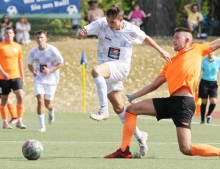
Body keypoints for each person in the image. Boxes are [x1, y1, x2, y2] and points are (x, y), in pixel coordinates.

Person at [104, 27, 220, 158]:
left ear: (187, 40)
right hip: (170, 102)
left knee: (186, 148)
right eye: (173, 37)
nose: (173, 40)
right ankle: (124, 150)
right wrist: (134, 95)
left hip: (184, 105)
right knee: (132, 109)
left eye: (177, 37)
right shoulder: (170, 61)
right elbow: (155, 84)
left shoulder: (197, 49)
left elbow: (217, 42)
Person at [76, 4, 171, 156]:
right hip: (107, 69)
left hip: (120, 68)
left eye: (112, 22)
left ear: (121, 19)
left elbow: (146, 38)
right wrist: (81, 34)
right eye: (108, 21)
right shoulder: (101, 23)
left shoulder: (130, 29)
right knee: (120, 109)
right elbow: (81, 34)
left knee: (95, 71)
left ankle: (103, 110)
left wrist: (161, 51)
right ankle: (140, 135)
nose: (109, 24)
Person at [28, 30, 64, 132]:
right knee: (40, 100)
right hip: (39, 79)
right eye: (38, 38)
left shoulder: (53, 50)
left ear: (46, 39)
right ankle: (42, 126)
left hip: (51, 80)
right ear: (35, 39)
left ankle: (51, 110)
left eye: (41, 37)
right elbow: (30, 64)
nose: (40, 40)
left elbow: (61, 63)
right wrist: (33, 71)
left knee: (47, 103)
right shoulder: (33, 51)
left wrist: (50, 70)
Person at [0, 27, 26, 129]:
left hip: (16, 76)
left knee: (20, 96)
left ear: (14, 34)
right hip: (3, 78)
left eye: (10, 33)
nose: (9, 35)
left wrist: (22, 76)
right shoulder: (1, 46)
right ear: (4, 35)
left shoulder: (18, 46)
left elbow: (20, 62)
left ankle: (19, 121)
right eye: (7, 33)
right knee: (4, 100)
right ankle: (5, 122)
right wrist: (3, 72)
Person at [198, 53, 220, 124]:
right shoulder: (204, 61)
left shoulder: (218, 60)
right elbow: (198, 72)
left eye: (211, 52)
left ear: (214, 52)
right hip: (204, 83)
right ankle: (202, 119)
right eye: (208, 52)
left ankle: (208, 115)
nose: (210, 53)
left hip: (213, 83)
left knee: (213, 101)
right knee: (204, 102)